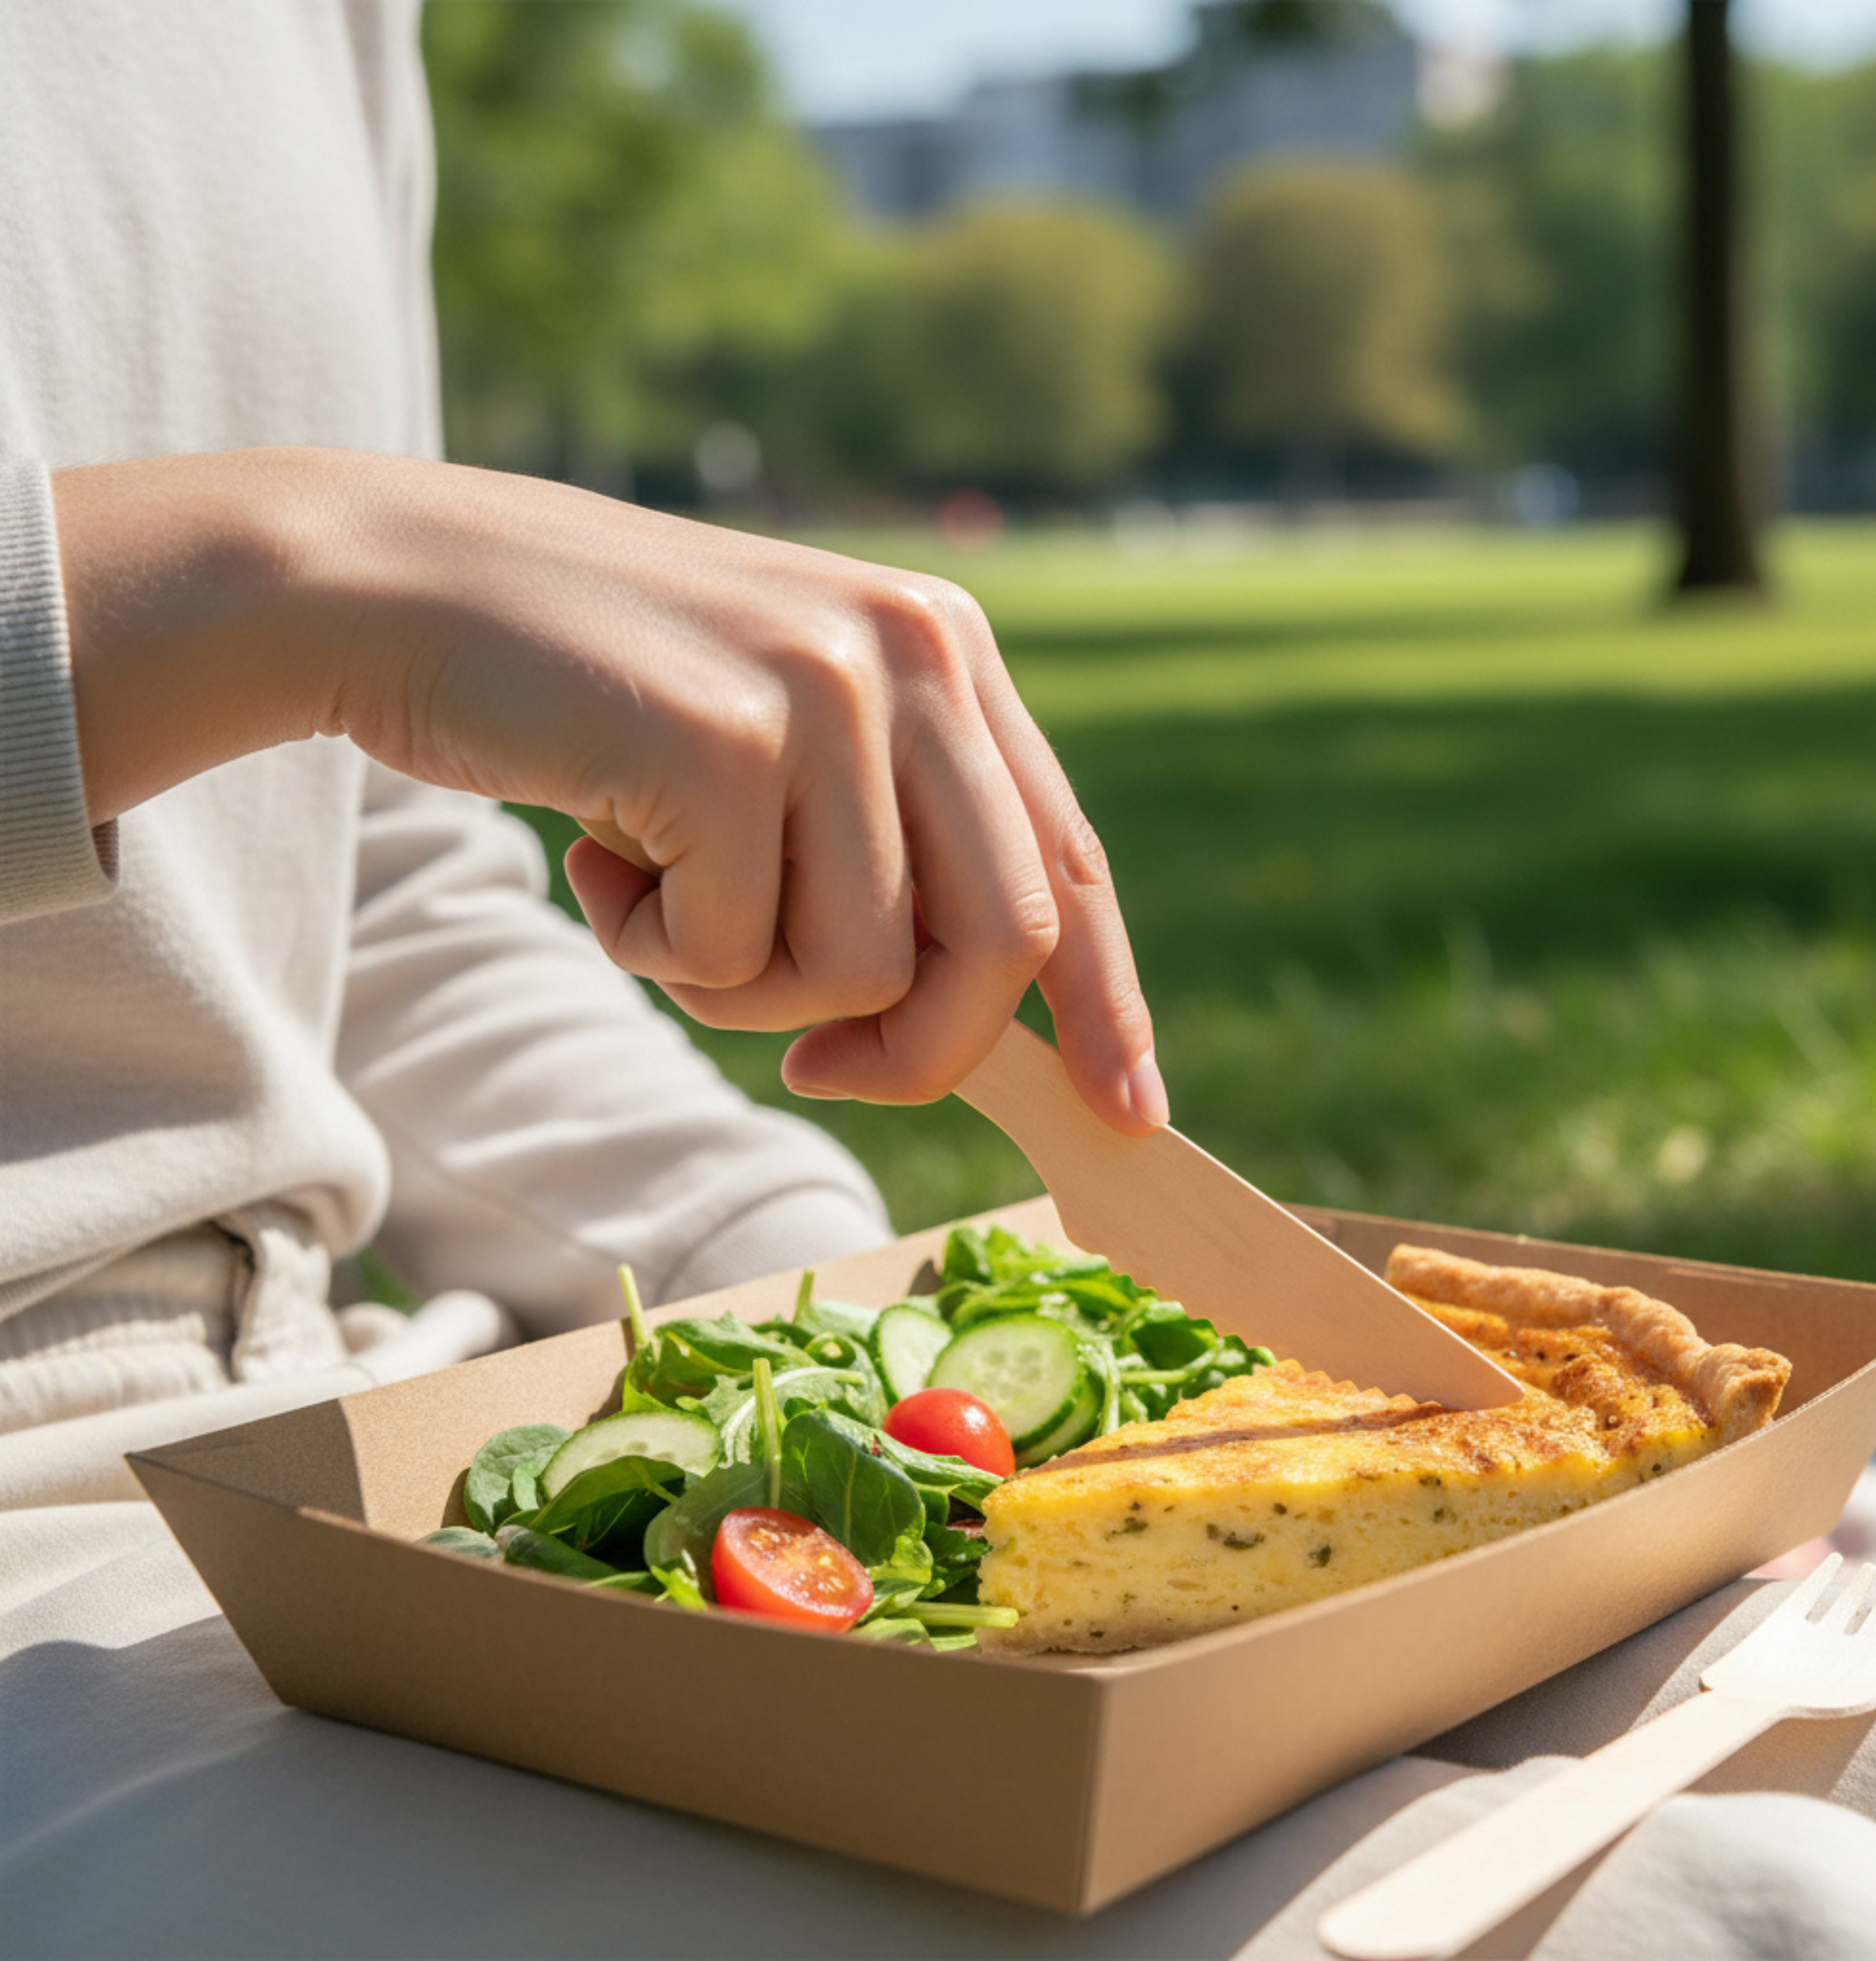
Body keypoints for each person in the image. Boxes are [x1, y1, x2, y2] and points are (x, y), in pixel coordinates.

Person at [0, 0, 1162, 1452]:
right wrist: (310, 577)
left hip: (307, 1407)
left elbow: (343, 883)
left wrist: (771, 1259)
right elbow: (342, 642)